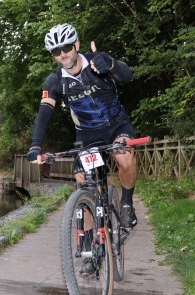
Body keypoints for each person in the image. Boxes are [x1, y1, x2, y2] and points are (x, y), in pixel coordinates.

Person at [26, 24, 137, 273]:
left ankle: (127, 205)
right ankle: (88, 249)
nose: (63, 54)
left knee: (124, 155)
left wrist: (110, 64)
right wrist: (36, 145)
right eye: (56, 51)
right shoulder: (55, 81)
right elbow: (44, 113)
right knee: (83, 182)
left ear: (76, 45)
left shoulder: (97, 62)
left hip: (117, 124)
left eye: (66, 47)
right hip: (87, 135)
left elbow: (127, 76)